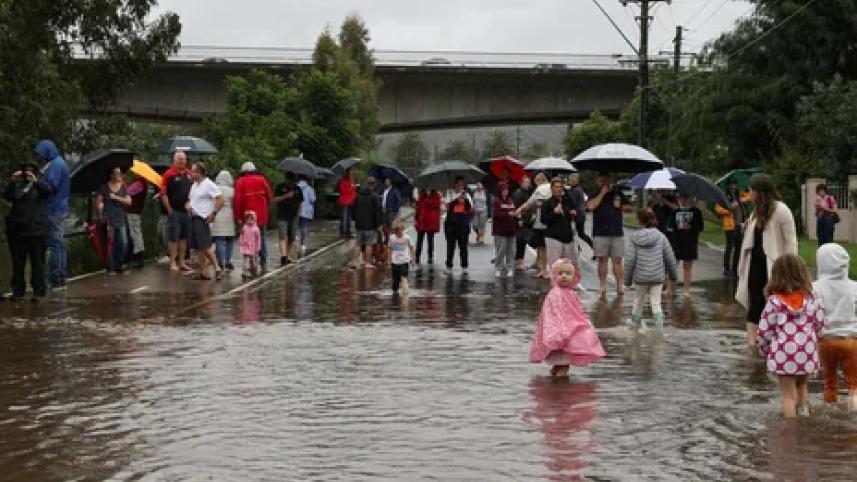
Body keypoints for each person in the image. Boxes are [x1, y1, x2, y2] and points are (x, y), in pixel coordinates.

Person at [756, 254, 825, 418]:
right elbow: (820, 327)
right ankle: (805, 416)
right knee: (802, 386)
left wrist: (764, 351)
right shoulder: (814, 298)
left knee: (788, 396)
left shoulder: (774, 302)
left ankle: (790, 432)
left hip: (784, 354)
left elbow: (765, 332)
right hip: (807, 353)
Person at [736, 174, 798, 347]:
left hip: (774, 266)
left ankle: (774, 342)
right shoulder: (755, 212)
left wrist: (789, 270)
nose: (749, 193)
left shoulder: (781, 210)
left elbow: (791, 241)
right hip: (754, 265)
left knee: (774, 303)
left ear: (759, 191)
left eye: (751, 190)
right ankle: (751, 344)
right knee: (754, 302)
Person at [529, 259, 606, 378]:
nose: (564, 276)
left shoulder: (571, 294)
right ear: (554, 275)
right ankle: (560, 390)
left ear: (574, 276)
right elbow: (552, 315)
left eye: (568, 273)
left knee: (560, 365)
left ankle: (554, 384)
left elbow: (577, 313)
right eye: (560, 273)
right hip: (560, 337)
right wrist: (561, 332)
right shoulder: (555, 294)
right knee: (563, 366)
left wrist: (585, 323)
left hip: (567, 335)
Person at [813, 243, 857, 411]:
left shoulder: (815, 287)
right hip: (851, 341)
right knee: (854, 385)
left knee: (830, 382)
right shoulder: (854, 287)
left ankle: (829, 413)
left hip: (826, 342)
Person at [624, 208, 678, 331]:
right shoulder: (661, 237)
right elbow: (670, 258)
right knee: (656, 303)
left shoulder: (634, 238)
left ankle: (634, 326)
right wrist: (673, 275)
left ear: (639, 221)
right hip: (657, 277)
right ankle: (659, 330)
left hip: (641, 277)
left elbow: (630, 260)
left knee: (638, 302)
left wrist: (627, 281)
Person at [4, 162, 51, 301]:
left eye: (30, 171)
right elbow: (7, 196)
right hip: (17, 230)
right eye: (25, 171)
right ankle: (17, 291)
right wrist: (12, 180)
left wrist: (35, 181)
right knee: (18, 262)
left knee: (37, 262)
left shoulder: (39, 186)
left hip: (36, 231)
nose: (27, 174)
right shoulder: (18, 186)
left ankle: (39, 292)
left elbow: (48, 191)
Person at [587, 172, 632, 297]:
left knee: (617, 260)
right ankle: (602, 285)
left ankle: (619, 285)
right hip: (600, 232)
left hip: (616, 231)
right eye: (600, 179)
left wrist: (621, 206)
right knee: (602, 259)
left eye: (605, 179)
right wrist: (602, 193)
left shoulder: (617, 192)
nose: (602, 181)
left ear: (609, 179)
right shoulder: (595, 192)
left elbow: (630, 207)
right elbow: (590, 206)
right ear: (597, 180)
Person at [36, 140, 70, 290]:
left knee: (55, 245)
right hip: (62, 207)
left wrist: (37, 181)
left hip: (54, 208)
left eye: (41, 153)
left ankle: (56, 279)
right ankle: (62, 277)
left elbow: (50, 187)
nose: (40, 157)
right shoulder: (60, 162)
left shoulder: (56, 165)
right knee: (60, 244)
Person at [187, 162, 224, 281]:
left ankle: (217, 268)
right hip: (193, 216)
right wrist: (188, 206)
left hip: (202, 218)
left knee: (205, 245)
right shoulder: (194, 185)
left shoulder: (208, 184)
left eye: (193, 171)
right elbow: (190, 200)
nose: (191, 174)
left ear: (199, 172)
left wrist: (213, 213)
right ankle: (203, 271)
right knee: (198, 247)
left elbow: (220, 198)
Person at [233, 162, 272, 273]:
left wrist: (238, 217)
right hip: (262, 215)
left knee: (248, 239)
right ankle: (263, 261)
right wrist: (265, 207)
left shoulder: (240, 181)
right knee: (262, 237)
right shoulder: (262, 179)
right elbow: (269, 196)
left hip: (248, 216)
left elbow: (237, 201)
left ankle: (251, 263)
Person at [161, 151, 192, 274]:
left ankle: (182, 261)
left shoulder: (188, 174)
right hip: (175, 211)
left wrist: (190, 202)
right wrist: (169, 210)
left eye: (184, 159)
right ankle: (173, 262)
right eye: (180, 159)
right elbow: (163, 194)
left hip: (186, 211)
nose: (182, 161)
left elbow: (194, 190)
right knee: (174, 237)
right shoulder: (168, 175)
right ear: (174, 160)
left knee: (184, 237)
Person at [96, 166, 132, 275]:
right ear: (111, 175)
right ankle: (111, 268)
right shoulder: (104, 187)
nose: (119, 175)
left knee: (123, 243)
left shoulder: (123, 186)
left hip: (120, 218)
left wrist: (116, 198)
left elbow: (129, 201)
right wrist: (100, 208)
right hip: (109, 220)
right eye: (117, 173)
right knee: (110, 244)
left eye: (120, 173)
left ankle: (119, 265)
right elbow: (98, 202)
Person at [515, 173, 551, 278]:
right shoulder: (552, 188)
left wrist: (519, 210)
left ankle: (544, 270)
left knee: (542, 247)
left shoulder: (540, 189)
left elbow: (529, 203)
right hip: (549, 223)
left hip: (541, 223)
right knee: (545, 247)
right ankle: (544, 270)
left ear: (538, 181)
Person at [670, 192, 703, 298]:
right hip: (677, 241)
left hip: (690, 241)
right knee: (673, 264)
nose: (683, 200)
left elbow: (700, 227)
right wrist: (677, 226)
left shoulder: (696, 211)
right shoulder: (676, 211)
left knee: (687, 265)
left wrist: (690, 227)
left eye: (685, 197)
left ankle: (686, 290)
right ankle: (669, 288)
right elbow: (671, 226)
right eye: (681, 198)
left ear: (689, 199)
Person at [541, 177, 579, 270]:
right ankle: (555, 284)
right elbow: (543, 220)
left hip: (567, 238)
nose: (558, 189)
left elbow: (575, 214)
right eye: (556, 187)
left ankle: (567, 284)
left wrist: (574, 214)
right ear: (552, 188)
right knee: (555, 267)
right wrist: (554, 213)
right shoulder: (548, 203)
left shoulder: (567, 201)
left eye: (560, 187)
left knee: (569, 266)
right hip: (553, 238)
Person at [715, 179, 748, 276]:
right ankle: (726, 268)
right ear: (728, 186)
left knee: (738, 247)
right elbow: (718, 209)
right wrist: (730, 209)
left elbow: (749, 197)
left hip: (740, 225)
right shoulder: (724, 197)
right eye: (731, 185)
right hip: (730, 226)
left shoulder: (739, 195)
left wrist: (745, 194)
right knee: (729, 247)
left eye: (735, 185)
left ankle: (735, 268)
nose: (733, 187)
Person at [443, 177, 474, 275]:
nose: (460, 186)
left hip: (463, 224)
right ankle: (449, 266)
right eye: (458, 184)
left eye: (462, 184)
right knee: (450, 246)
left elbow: (471, 208)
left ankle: (464, 266)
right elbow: (447, 206)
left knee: (463, 246)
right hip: (451, 224)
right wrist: (456, 200)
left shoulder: (467, 194)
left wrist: (465, 200)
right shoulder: (450, 193)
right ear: (454, 184)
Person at [351, 177, 383, 269]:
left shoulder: (358, 195)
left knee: (358, 243)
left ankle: (353, 261)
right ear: (374, 185)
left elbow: (353, 210)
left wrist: (355, 219)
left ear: (366, 183)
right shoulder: (375, 197)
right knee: (369, 244)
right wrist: (378, 224)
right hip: (370, 226)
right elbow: (377, 212)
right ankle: (367, 262)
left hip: (359, 224)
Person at [273, 174, 303, 266]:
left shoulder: (298, 189)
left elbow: (301, 202)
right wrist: (285, 196)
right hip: (282, 216)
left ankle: (288, 254)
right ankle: (283, 256)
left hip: (293, 217)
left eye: (294, 181)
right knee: (282, 235)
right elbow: (274, 200)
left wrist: (298, 214)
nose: (292, 183)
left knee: (291, 237)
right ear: (287, 179)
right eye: (290, 180)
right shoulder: (280, 187)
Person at [492, 181, 518, 278]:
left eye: (506, 190)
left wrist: (515, 215)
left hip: (511, 229)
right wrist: (507, 214)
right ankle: (498, 268)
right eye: (503, 190)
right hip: (500, 230)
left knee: (511, 250)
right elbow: (495, 214)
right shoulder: (496, 201)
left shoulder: (511, 200)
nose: (505, 192)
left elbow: (514, 210)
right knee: (501, 250)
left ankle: (510, 268)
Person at [211, 170, 236, 272]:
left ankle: (220, 261)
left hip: (217, 215)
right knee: (229, 239)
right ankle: (228, 260)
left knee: (219, 239)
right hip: (229, 216)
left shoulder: (214, 189)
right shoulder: (232, 190)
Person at [125, 172, 148, 269]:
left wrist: (123, 182)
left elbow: (127, 192)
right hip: (135, 212)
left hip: (133, 212)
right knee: (135, 233)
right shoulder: (143, 183)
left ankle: (138, 257)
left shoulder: (139, 184)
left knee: (135, 234)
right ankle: (136, 256)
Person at [566, 173, 592, 252]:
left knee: (579, 234)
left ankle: (591, 248)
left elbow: (572, 203)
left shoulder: (576, 190)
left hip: (578, 215)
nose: (568, 181)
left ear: (575, 181)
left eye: (569, 180)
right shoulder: (576, 189)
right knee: (578, 234)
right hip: (580, 214)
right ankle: (578, 248)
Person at [414, 188, 441, 265]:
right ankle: (417, 256)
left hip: (430, 221)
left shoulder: (435, 195)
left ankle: (430, 257)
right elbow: (419, 207)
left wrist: (427, 200)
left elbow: (436, 205)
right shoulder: (422, 195)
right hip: (422, 221)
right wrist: (416, 217)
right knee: (419, 240)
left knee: (430, 240)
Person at [388, 220, 415, 295]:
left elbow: (412, 247)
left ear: (403, 230)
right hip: (395, 262)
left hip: (404, 261)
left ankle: (405, 295)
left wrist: (413, 259)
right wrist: (389, 260)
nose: (399, 234)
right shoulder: (392, 238)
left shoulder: (407, 237)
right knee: (395, 282)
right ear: (395, 232)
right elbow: (390, 249)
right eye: (397, 233)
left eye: (400, 232)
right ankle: (395, 291)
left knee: (404, 277)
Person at [513, 176, 534, 271]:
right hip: (521, 220)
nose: (528, 184)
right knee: (520, 241)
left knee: (523, 241)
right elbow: (516, 207)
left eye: (529, 182)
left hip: (528, 220)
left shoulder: (528, 192)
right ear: (521, 183)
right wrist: (519, 219)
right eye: (526, 182)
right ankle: (519, 261)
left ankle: (519, 260)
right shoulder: (518, 193)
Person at [296, 175, 316, 255]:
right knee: (304, 227)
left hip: (296, 210)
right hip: (306, 211)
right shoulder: (310, 189)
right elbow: (313, 200)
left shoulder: (296, 187)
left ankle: (294, 240)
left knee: (296, 226)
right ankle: (302, 244)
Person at [239, 210, 262, 280]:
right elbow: (241, 235)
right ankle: (245, 272)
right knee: (246, 259)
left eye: (251, 218)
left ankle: (253, 270)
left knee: (253, 260)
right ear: (246, 219)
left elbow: (258, 239)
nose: (249, 220)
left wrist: (258, 247)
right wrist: (241, 242)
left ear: (254, 219)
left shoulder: (256, 229)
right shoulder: (244, 227)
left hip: (254, 247)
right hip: (246, 246)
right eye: (247, 218)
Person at [381, 177, 402, 242]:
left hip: (391, 211)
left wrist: (395, 209)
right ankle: (387, 239)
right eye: (385, 181)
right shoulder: (384, 190)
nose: (386, 182)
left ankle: (393, 240)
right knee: (384, 227)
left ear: (390, 182)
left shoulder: (394, 190)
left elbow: (399, 200)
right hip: (384, 211)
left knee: (391, 226)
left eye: (387, 181)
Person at [338, 169, 357, 238]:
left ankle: (348, 232)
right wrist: (350, 188)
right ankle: (343, 232)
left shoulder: (352, 181)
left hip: (351, 201)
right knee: (344, 217)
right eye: (350, 173)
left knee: (349, 218)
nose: (352, 174)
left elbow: (354, 190)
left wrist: (353, 188)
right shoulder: (342, 181)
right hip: (344, 201)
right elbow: (342, 190)